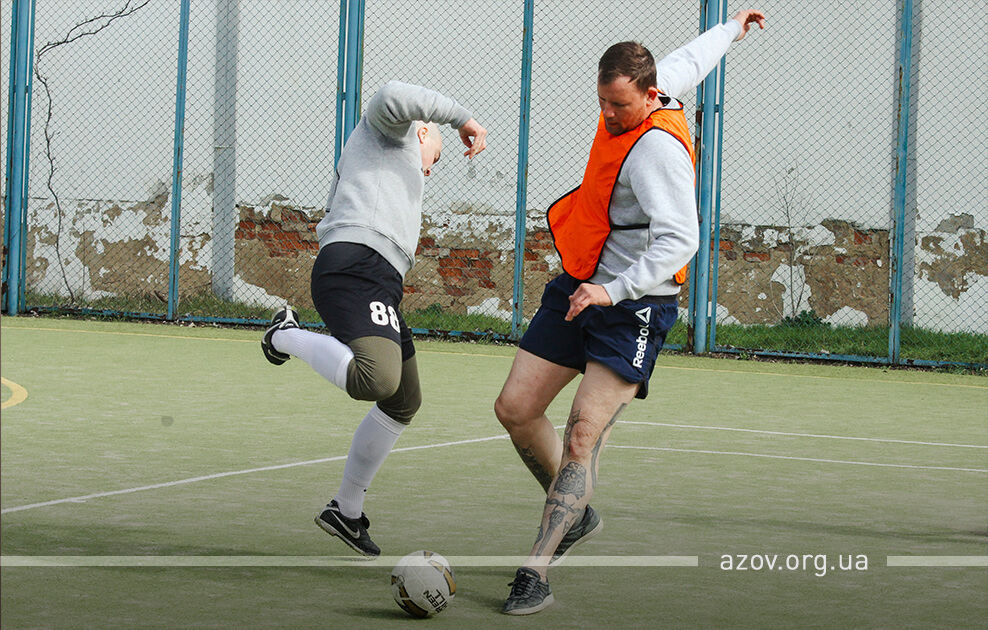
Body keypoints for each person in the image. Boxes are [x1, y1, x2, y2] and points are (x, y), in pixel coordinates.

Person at [496, 10, 766, 614]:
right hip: (582, 285)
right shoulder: (648, 85)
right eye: (602, 102)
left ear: (647, 96)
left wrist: (613, 291)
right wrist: (732, 28)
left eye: (619, 105)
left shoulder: (658, 153)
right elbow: (690, 60)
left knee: (582, 435)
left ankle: (536, 569)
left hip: (634, 305)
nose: (610, 114)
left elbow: (682, 240)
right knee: (514, 408)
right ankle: (576, 512)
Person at [260, 80, 487, 557]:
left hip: (377, 278)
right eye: (435, 156)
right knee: (377, 378)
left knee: (403, 400)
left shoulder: (390, 164)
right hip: (355, 265)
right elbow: (391, 94)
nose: (431, 168)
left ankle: (346, 509)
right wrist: (461, 118)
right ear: (421, 132)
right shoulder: (388, 132)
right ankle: (285, 335)